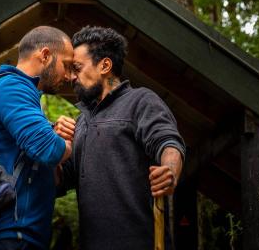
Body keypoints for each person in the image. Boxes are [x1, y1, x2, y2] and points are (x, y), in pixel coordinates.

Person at [55, 26, 186, 250]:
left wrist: (170, 170)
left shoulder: (141, 101)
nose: (71, 76)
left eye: (77, 68)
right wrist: (54, 148)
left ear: (105, 65)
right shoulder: (81, 122)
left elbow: (168, 141)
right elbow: (57, 182)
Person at [0, 26, 74, 250]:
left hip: (13, 235)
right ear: (45, 55)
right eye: (67, 65)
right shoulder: (13, 88)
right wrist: (67, 145)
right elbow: (49, 149)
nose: (70, 76)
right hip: (6, 236)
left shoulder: (21, 92)